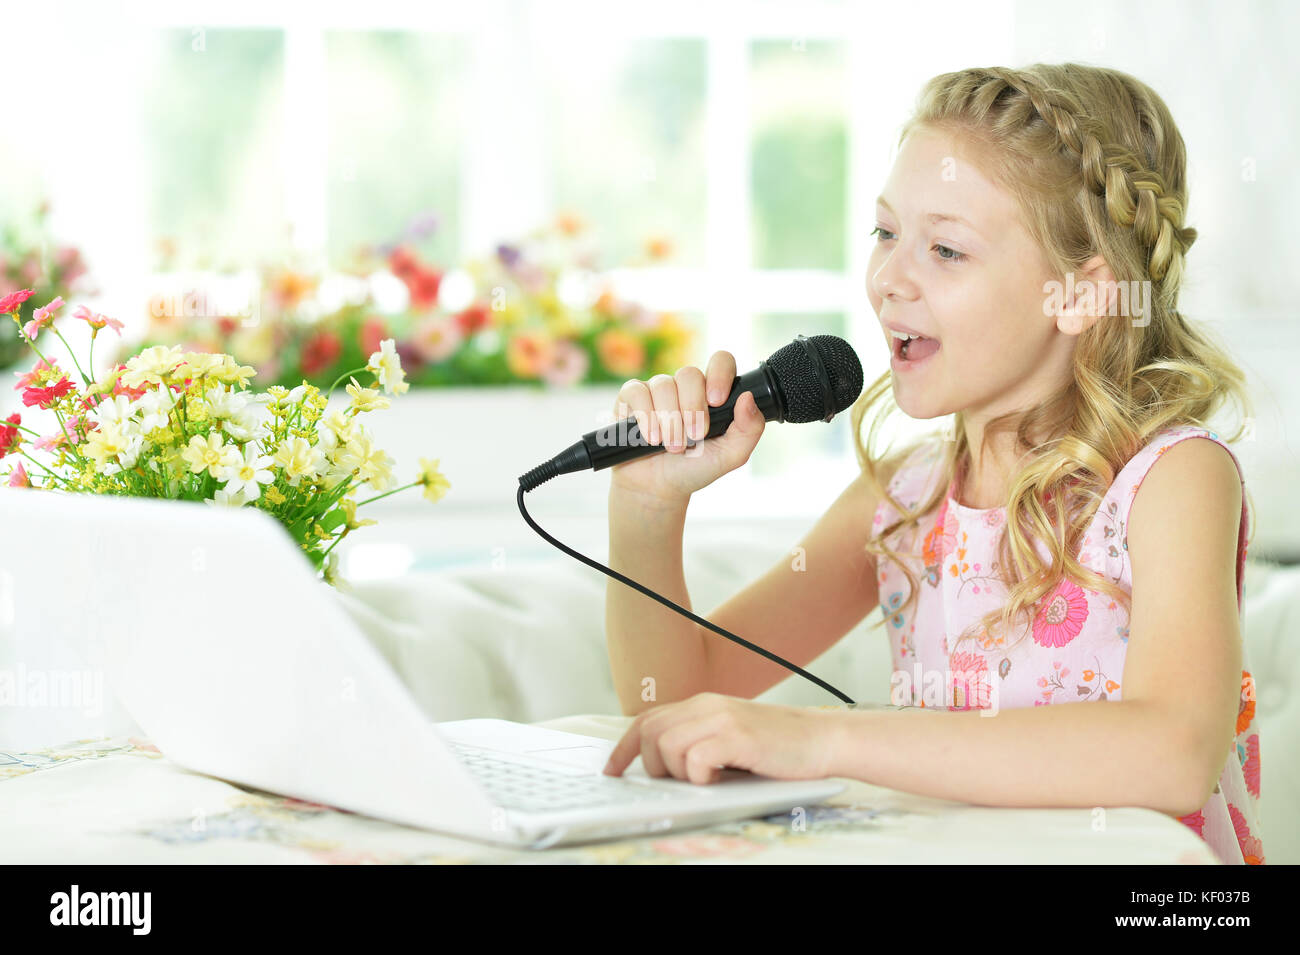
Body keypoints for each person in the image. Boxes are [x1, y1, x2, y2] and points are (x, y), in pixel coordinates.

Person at [600, 63, 1262, 865]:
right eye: (885, 234)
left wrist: (826, 738)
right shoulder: (905, 498)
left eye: (946, 249)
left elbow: (1174, 751)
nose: (888, 280)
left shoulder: (1172, 479)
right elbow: (671, 700)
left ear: (1082, 293)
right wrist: (645, 505)